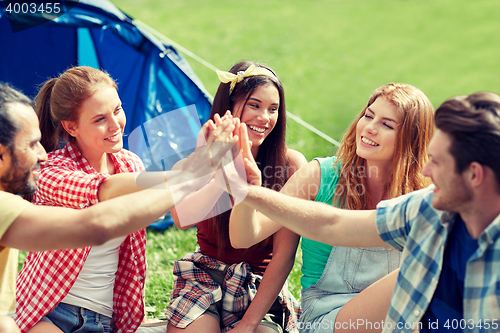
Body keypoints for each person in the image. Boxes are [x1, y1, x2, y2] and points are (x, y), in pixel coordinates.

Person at [222, 91, 500, 332]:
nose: (428, 170)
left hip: (396, 321)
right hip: (332, 317)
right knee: (427, 259)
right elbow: (331, 223)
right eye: (368, 116)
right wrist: (248, 189)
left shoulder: (429, 196)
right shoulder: (428, 208)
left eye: (437, 161)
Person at [12, 66, 237, 333]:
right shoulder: (50, 172)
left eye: (117, 110)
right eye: (99, 119)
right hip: (49, 313)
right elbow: (104, 189)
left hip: (106, 320)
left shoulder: (131, 164)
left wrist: (210, 167)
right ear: (71, 127)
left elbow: (169, 206)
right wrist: (192, 168)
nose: (115, 124)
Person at [165, 60, 307, 333]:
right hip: (205, 276)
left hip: (260, 286)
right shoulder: (202, 156)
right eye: (254, 105)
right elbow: (181, 218)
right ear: (228, 107)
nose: (265, 118)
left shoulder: (290, 165)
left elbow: (283, 256)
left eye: (273, 109)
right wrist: (223, 173)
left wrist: (250, 323)